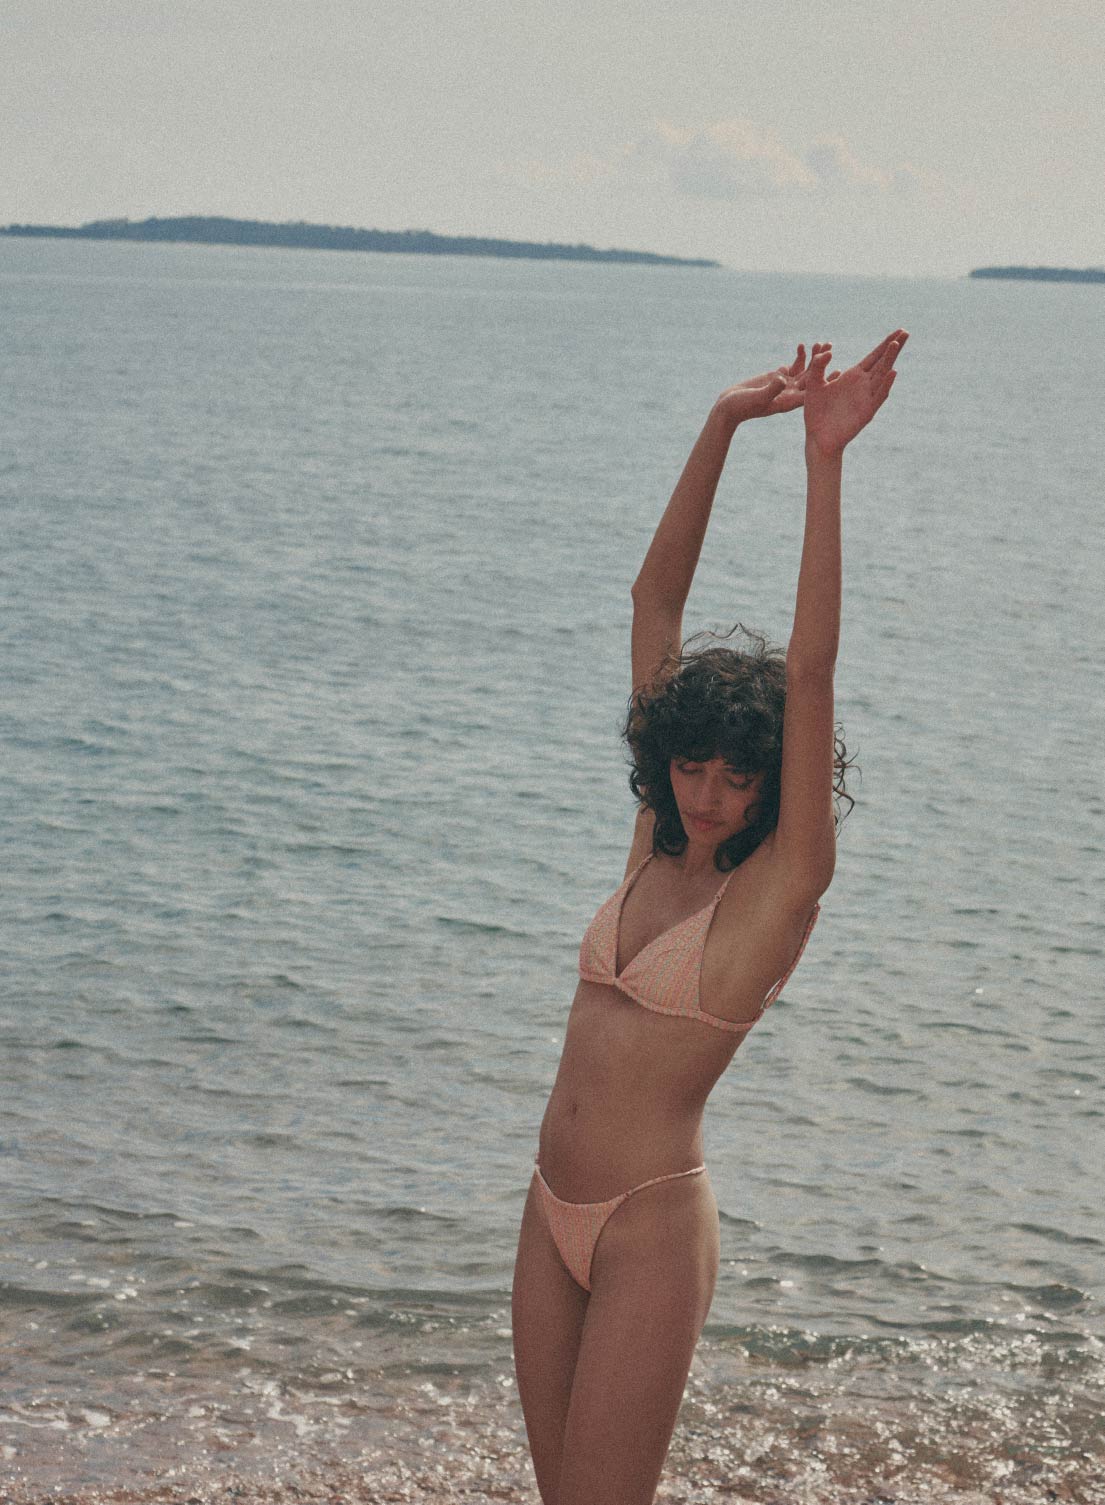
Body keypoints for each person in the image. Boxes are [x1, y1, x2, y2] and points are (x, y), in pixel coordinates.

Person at [510, 328, 907, 1505]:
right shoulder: (654, 840)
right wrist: (723, 422)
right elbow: (654, 598)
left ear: (770, 787)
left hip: (647, 1229)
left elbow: (811, 674)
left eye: (738, 778)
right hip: (546, 1204)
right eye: (692, 766)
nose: (709, 793)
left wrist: (823, 463)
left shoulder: (776, 893)